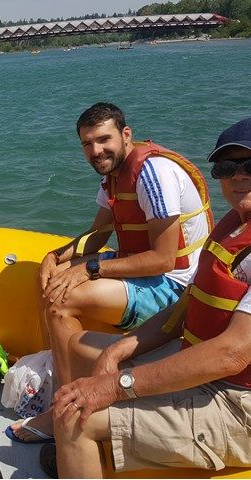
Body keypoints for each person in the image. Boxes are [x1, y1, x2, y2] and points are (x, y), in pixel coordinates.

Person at [43, 118, 251, 478]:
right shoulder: (234, 225)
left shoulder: (153, 173)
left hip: (238, 402)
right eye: (226, 167)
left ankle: (80, 442)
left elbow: (231, 354)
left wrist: (118, 384)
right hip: (205, 364)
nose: (237, 176)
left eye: (249, 165)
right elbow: (189, 306)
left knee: (74, 417)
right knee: (81, 350)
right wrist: (119, 350)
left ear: (126, 135)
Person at [9, 102, 213, 442]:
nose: (95, 150)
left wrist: (91, 269)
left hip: (177, 286)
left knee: (63, 301)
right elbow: (99, 234)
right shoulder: (113, 177)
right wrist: (55, 256)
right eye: (87, 144)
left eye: (103, 140)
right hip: (146, 269)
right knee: (51, 275)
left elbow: (164, 260)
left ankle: (62, 408)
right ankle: (60, 373)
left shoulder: (153, 173)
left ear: (126, 134)